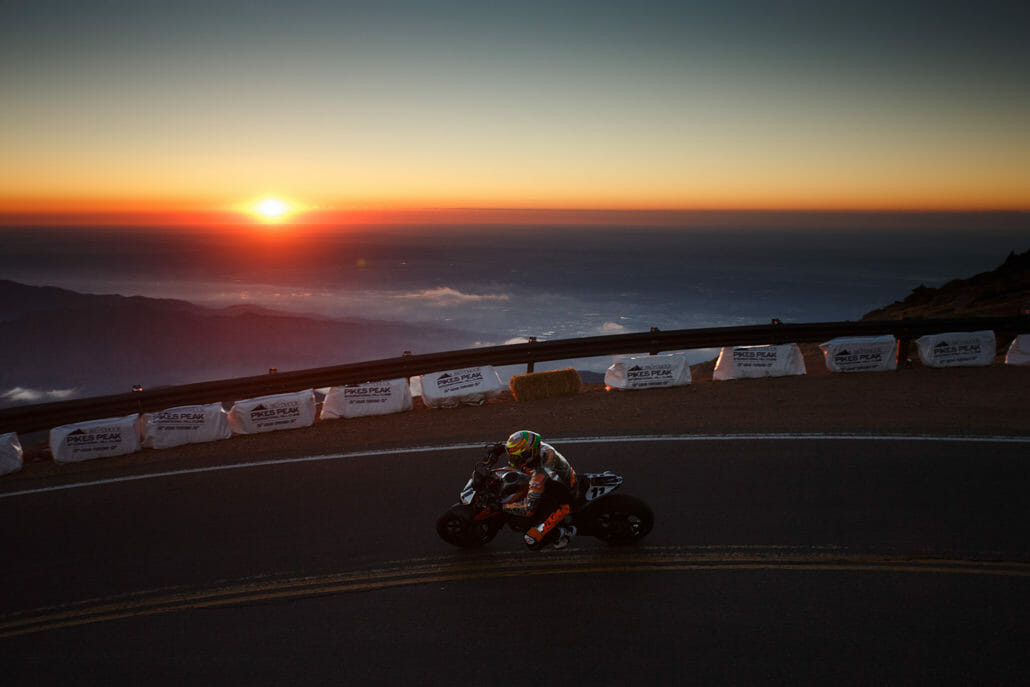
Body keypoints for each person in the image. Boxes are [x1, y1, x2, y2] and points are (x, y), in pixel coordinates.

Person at [495, 430, 577, 550]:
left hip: (561, 501)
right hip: (553, 482)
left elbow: (528, 509)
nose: (513, 459)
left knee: (531, 539)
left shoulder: (539, 476)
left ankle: (565, 532)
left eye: (516, 457)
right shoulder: (538, 448)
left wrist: (503, 507)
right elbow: (521, 449)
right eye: (511, 455)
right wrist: (501, 449)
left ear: (529, 454)